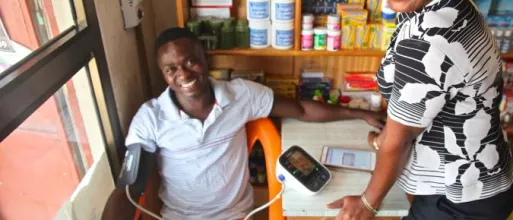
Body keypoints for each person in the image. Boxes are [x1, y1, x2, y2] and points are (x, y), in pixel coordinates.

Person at [101, 27, 384, 220]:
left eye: (190, 62)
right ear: (163, 74)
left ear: (206, 58)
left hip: (236, 215)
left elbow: (300, 108)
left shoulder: (241, 95)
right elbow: (129, 187)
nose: (183, 74)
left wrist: (358, 113)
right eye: (171, 69)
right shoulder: (149, 119)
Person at [327, 0, 513, 219]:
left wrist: (367, 203)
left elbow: (403, 138)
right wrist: (383, 139)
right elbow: (422, 105)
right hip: (482, 176)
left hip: (459, 197)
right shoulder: (449, 6)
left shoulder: (428, 36)